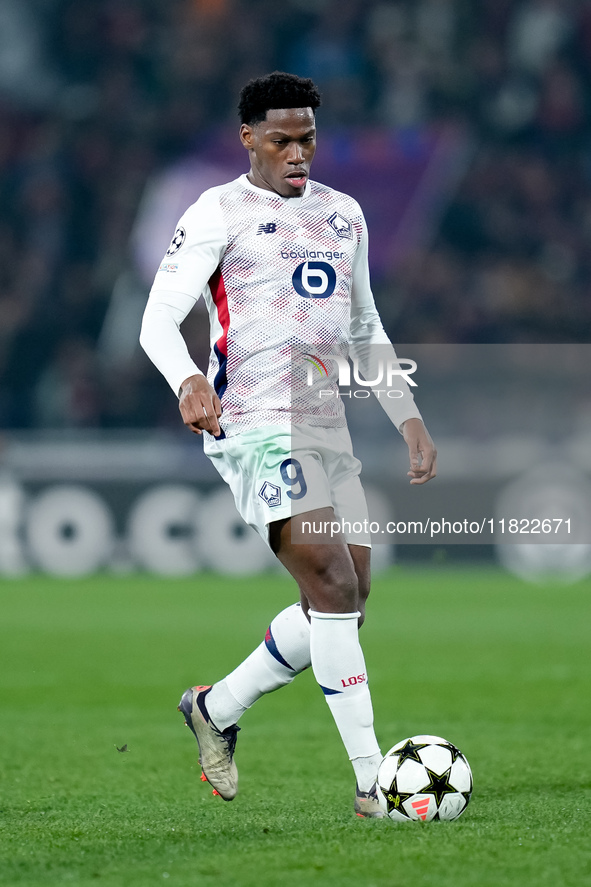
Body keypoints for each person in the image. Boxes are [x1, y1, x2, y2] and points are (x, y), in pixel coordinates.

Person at [140, 71, 437, 818]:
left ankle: (216, 705)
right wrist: (186, 381)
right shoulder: (217, 211)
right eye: (280, 139)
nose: (296, 152)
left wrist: (405, 413)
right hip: (254, 422)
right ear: (248, 138)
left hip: (324, 422)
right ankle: (375, 782)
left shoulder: (344, 214)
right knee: (332, 587)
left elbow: (363, 325)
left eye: (306, 138)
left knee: (346, 603)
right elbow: (157, 320)